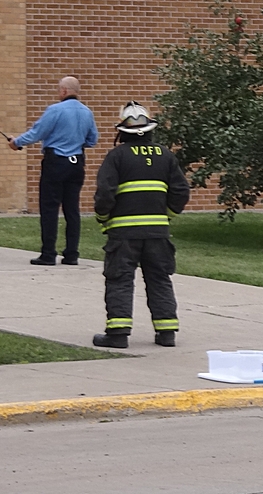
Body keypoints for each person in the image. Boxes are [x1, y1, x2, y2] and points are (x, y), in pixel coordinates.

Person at [92, 101, 190, 349]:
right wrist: (165, 215)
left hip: (123, 234)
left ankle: (118, 333)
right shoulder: (166, 156)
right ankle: (167, 333)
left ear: (122, 132)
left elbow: (105, 193)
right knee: (159, 279)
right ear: (150, 130)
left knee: (120, 280)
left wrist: (103, 218)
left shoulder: (116, 156)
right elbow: (180, 192)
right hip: (158, 233)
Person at [9, 76, 99, 265]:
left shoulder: (55, 110)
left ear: (64, 91)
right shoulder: (87, 112)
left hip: (56, 163)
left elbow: (37, 133)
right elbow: (92, 140)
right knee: (72, 210)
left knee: (50, 209)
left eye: (59, 89)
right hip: (77, 164)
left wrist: (16, 142)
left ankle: (48, 253)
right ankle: (72, 254)